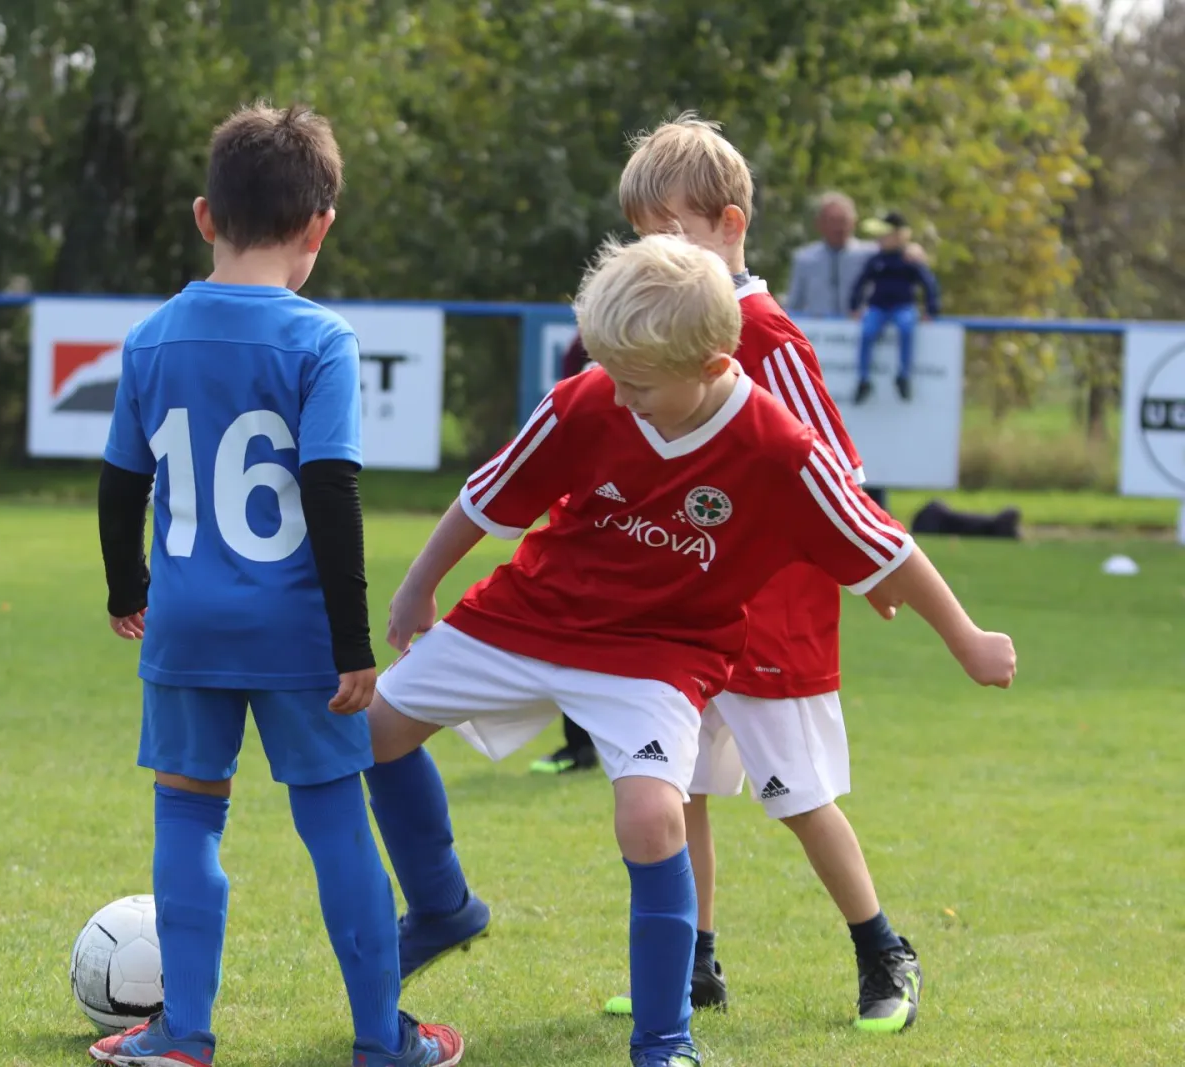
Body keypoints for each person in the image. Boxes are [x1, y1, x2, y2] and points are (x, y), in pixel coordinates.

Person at [359, 233, 1017, 1067]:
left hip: (659, 652)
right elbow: (487, 497)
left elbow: (886, 546)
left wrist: (968, 639)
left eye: (637, 383)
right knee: (372, 730)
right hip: (531, 613)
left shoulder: (779, 448)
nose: (618, 395)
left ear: (710, 366)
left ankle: (666, 1040)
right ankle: (442, 905)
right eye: (609, 373)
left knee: (652, 814)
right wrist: (419, 584)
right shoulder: (588, 397)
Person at [92, 101, 463, 1067]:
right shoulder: (321, 341)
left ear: (205, 216)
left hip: (185, 625)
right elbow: (330, 491)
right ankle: (383, 1039)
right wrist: (352, 643)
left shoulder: (151, 338)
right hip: (297, 634)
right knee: (336, 823)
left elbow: (121, 481)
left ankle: (183, 1033)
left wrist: (126, 586)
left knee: (187, 814)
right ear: (319, 227)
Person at [598, 113, 932, 1033]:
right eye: (643, 236)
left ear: (730, 225)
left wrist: (876, 572)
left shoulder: (766, 335)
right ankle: (693, 965)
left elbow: (834, 474)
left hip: (773, 611)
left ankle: (884, 949)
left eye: (672, 232)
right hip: (684, 607)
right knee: (680, 788)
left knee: (800, 797)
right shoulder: (661, 335)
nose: (656, 253)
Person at [529, 331, 599, 775]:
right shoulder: (584, 346)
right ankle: (581, 744)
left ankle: (589, 746)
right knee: (578, 635)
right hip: (590, 516)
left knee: (586, 637)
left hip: (629, 525)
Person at [849, 211, 941, 404]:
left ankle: (903, 376)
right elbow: (860, 283)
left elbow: (928, 283)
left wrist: (931, 309)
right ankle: (864, 379)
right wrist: (854, 305)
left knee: (906, 328)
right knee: (867, 332)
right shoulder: (876, 259)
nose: (881, 238)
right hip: (878, 307)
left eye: (886, 234)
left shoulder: (909, 259)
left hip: (903, 306)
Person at [784, 192, 877, 318]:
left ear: (854, 222)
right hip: (818, 328)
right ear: (820, 224)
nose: (838, 227)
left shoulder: (871, 255)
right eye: (833, 221)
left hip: (861, 327)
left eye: (843, 221)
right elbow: (794, 304)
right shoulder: (804, 259)